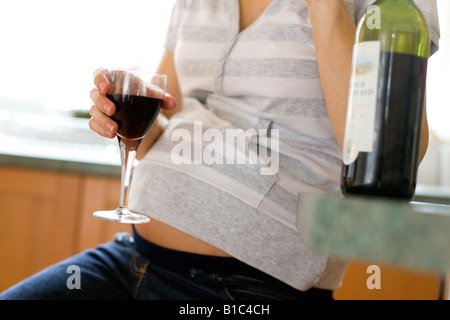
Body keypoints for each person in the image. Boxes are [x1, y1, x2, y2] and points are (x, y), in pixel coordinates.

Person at [0, 0, 440, 300]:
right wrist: (124, 122)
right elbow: (167, 113)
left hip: (248, 286)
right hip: (134, 259)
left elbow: (390, 148)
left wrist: (326, 9)